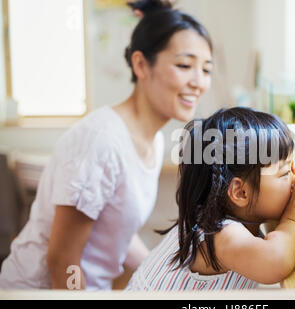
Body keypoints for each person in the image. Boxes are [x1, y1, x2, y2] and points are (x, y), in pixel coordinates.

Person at [0, 0, 213, 290]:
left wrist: (166, 277)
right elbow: (63, 261)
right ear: (141, 64)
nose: (199, 82)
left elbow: (116, 234)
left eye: (206, 69)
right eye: (185, 65)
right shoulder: (101, 141)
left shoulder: (153, 139)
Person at [125, 107, 295, 291]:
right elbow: (276, 261)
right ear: (240, 192)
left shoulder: (211, 214)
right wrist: (294, 218)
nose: (294, 178)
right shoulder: (222, 235)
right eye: (284, 173)